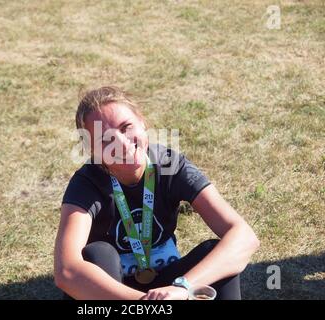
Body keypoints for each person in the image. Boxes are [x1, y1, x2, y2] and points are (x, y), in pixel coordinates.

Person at [54, 86, 259, 300]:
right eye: (105, 139)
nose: (122, 144)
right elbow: (66, 271)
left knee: (214, 253)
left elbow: (244, 237)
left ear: (142, 122)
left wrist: (183, 287)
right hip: (113, 292)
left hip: (167, 286)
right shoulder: (86, 183)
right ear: (92, 149)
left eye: (126, 127)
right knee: (98, 253)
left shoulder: (170, 165)